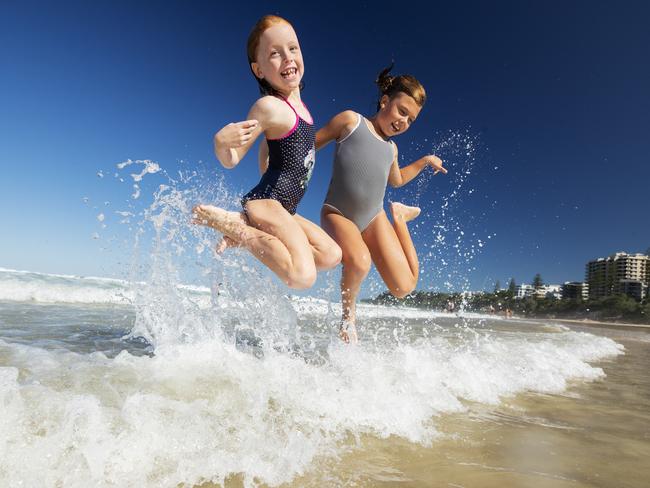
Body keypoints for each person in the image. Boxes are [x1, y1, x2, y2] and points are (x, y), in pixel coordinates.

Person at [193, 15, 341, 289]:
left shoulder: (304, 111)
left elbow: (270, 149)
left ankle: (243, 226)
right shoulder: (269, 107)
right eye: (274, 54)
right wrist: (221, 142)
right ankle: (232, 224)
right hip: (267, 201)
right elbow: (232, 159)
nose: (287, 58)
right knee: (301, 276)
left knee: (331, 255)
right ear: (259, 69)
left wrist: (267, 163)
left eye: (292, 48)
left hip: (286, 208)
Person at [316, 65, 447, 342]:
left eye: (411, 120)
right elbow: (311, 144)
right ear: (385, 100)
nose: (403, 122)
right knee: (360, 262)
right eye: (402, 111)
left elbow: (396, 181)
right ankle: (348, 318)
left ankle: (399, 218)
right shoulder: (351, 121)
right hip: (338, 213)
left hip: (373, 217)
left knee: (404, 287)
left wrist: (424, 161)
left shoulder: (392, 149)